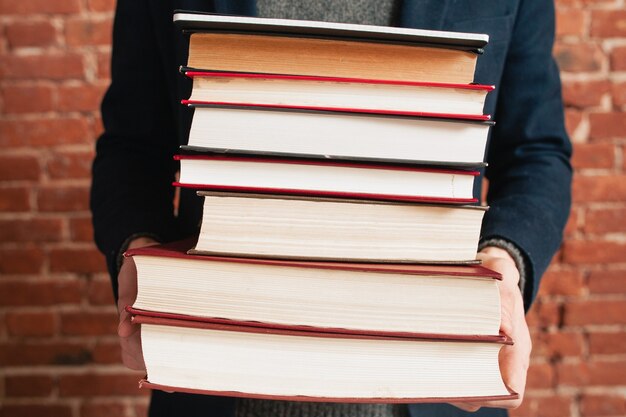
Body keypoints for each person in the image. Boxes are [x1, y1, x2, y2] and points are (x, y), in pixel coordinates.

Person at [91, 1, 572, 416]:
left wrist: (504, 264)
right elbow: (133, 148)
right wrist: (138, 252)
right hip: (210, 372)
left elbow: (536, 152)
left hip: (434, 385)